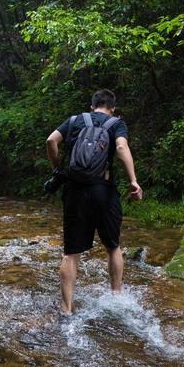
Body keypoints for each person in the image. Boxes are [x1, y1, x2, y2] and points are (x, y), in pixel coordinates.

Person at [45, 89, 143, 315]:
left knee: (71, 253)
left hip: (74, 190)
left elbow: (51, 141)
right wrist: (133, 181)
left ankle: (66, 308)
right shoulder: (116, 124)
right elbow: (121, 147)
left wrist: (57, 168)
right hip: (104, 190)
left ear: (92, 106)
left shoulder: (74, 121)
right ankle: (116, 297)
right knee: (112, 246)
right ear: (113, 107)